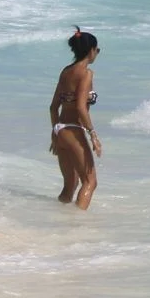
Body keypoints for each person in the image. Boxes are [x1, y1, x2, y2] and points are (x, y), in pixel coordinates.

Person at [49, 29, 103, 209]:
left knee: (70, 185)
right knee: (90, 182)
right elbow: (81, 107)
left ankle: (58, 219)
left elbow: (53, 107)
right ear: (91, 51)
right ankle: (77, 226)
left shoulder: (66, 71)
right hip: (73, 129)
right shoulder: (86, 74)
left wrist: (54, 133)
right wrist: (93, 135)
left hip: (60, 130)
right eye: (97, 50)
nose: (97, 53)